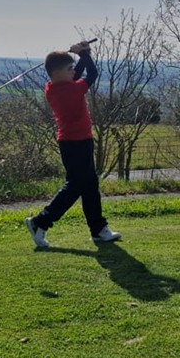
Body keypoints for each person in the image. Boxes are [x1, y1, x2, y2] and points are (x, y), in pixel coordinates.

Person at [25, 40, 121, 248]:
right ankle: (40, 221)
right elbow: (92, 74)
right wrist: (84, 54)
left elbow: (76, 75)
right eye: (69, 68)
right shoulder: (70, 90)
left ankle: (98, 229)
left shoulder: (52, 88)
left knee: (90, 186)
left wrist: (83, 53)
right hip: (76, 144)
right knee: (75, 186)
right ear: (57, 73)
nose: (73, 71)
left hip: (76, 142)